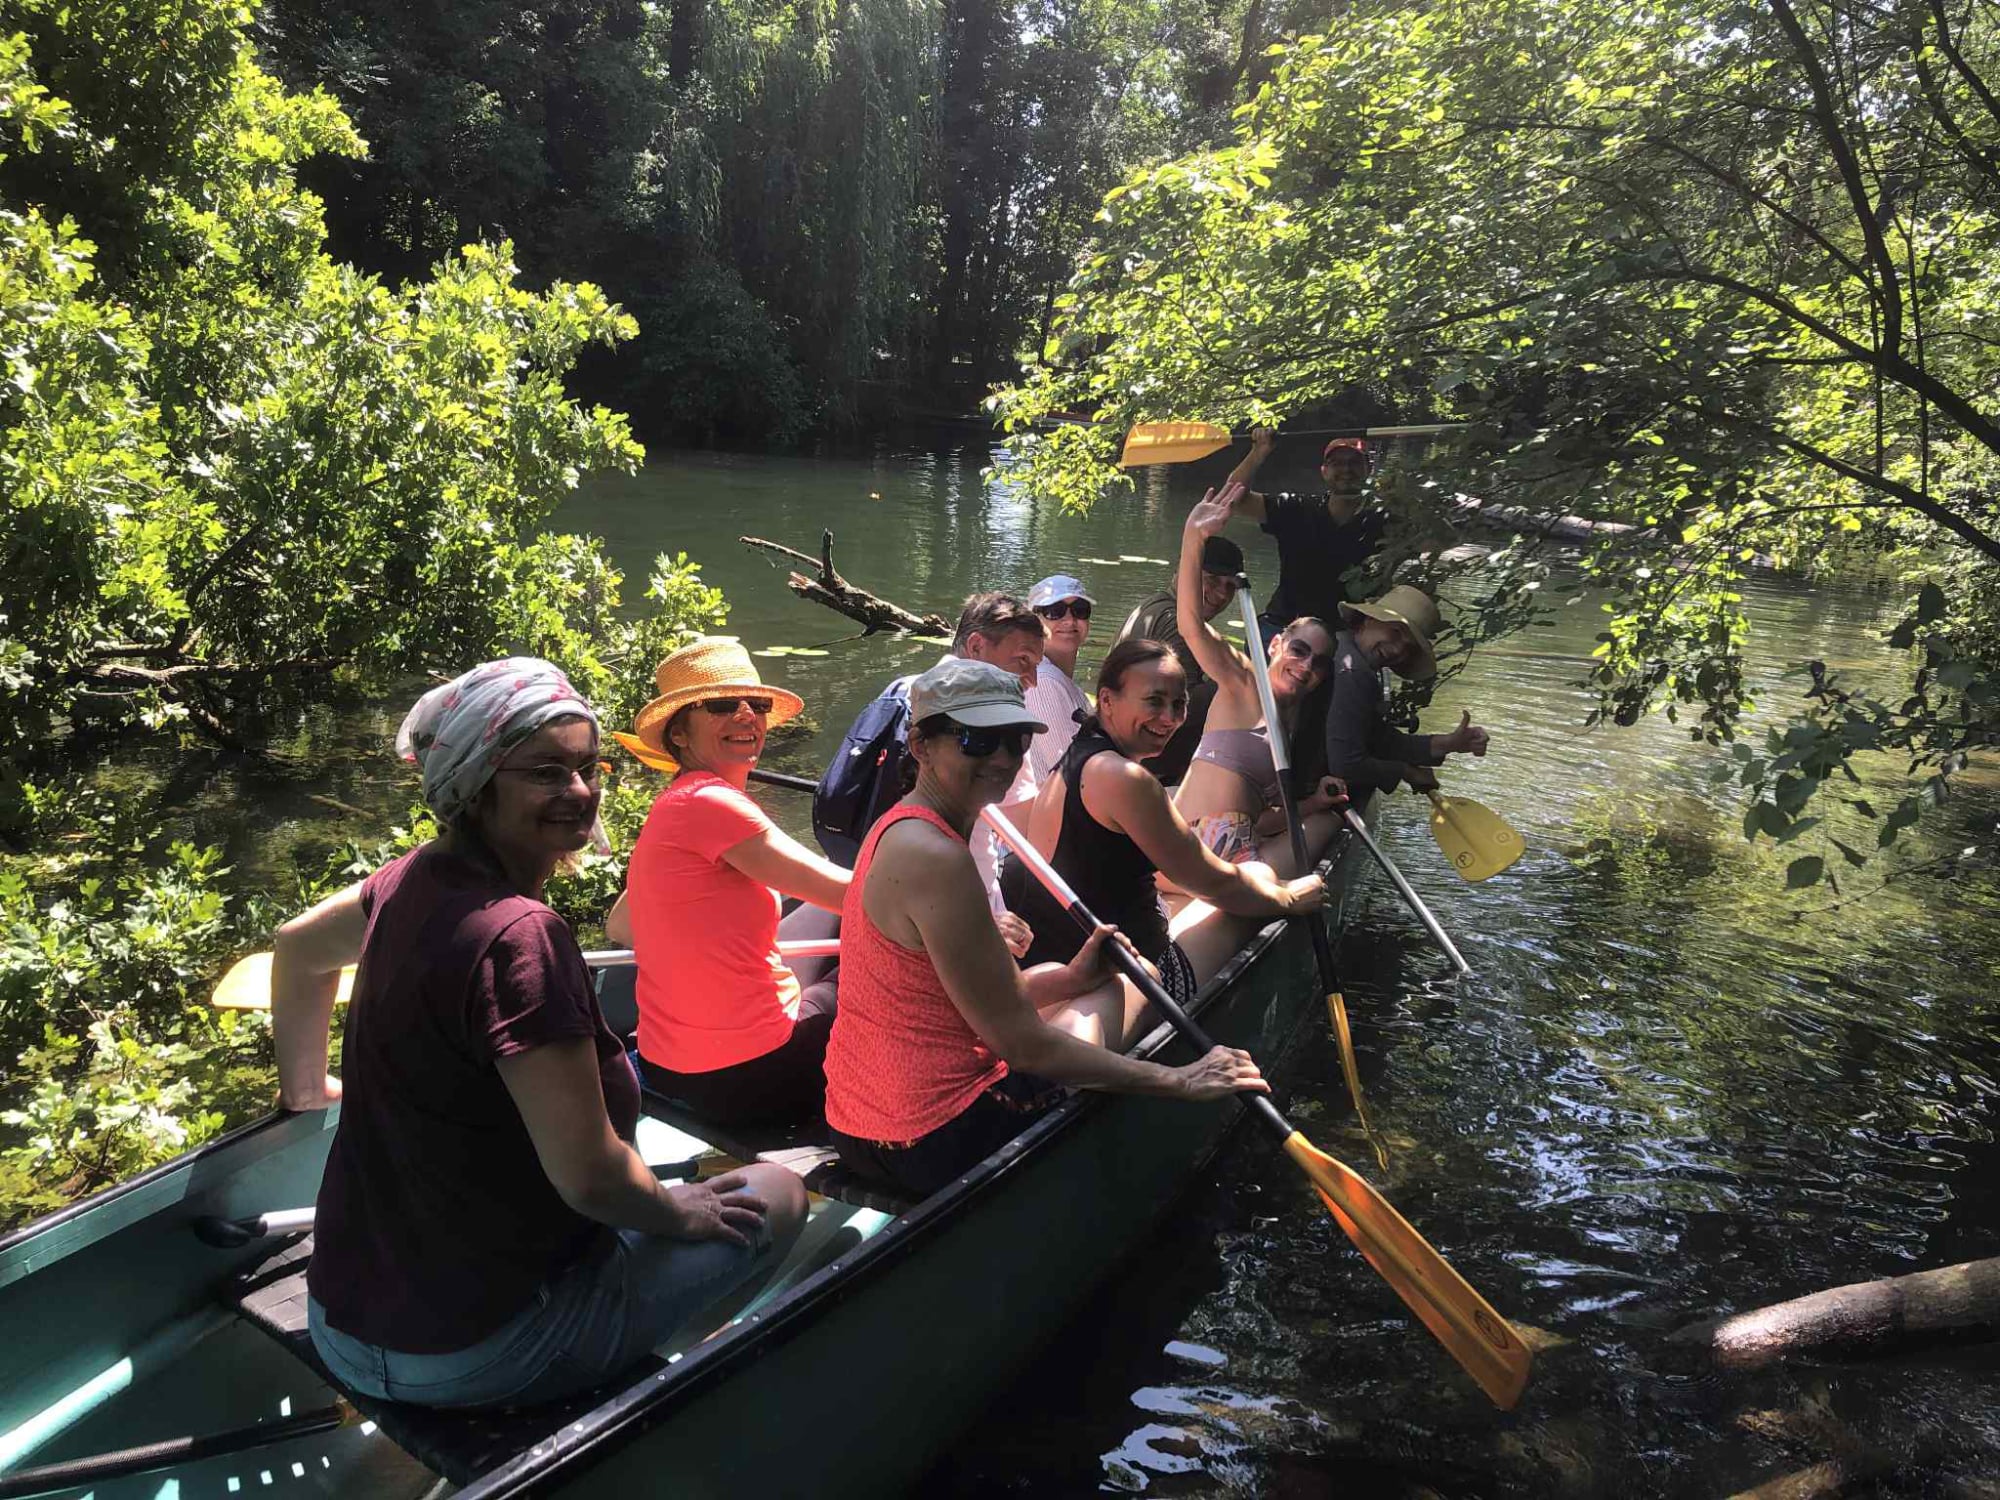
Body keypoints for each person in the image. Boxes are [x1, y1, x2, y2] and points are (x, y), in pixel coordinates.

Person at [270, 658, 806, 1411]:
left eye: (588, 768)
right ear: (475, 784)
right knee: (780, 1192)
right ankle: (679, 1382)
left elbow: (297, 946)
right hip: (477, 1350)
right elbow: (593, 1180)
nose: (580, 792)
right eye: (546, 772)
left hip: (340, 1322)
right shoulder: (521, 937)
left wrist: (304, 1087)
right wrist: (679, 1211)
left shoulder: (405, 881)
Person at [821, 659, 1270, 1198]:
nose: (1001, 759)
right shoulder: (939, 858)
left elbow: (956, 1001)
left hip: (856, 1124)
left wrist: (1073, 979)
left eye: (1014, 741)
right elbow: (1024, 1046)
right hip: (932, 1139)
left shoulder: (897, 825)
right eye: (976, 741)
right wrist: (1178, 1079)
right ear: (921, 746)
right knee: (1135, 982)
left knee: (1070, 974)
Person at [998, 639, 1328, 1007]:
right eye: (1154, 702)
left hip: (1058, 956)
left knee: (1254, 876)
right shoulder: (1124, 778)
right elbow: (1216, 884)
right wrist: (1288, 897)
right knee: (1255, 878)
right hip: (1133, 971)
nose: (1170, 718)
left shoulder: (1079, 753)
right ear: (1106, 700)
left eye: (1179, 704)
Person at [604, 638, 849, 1126]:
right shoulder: (713, 804)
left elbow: (620, 925)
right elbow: (855, 896)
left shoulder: (674, 803)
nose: (746, 715)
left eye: (755, 704)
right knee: (863, 976)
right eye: (721, 705)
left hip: (668, 1066)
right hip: (750, 1073)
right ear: (679, 734)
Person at [818, 592, 1045, 941]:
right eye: (1023, 660)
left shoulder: (903, 688)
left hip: (878, 875)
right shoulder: (997, 727)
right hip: (961, 902)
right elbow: (1029, 828)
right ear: (976, 646)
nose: (1032, 679)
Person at [1170, 483, 1348, 877]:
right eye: (1299, 650)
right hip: (1196, 850)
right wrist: (1193, 537)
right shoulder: (1244, 680)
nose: (1306, 666)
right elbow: (1191, 626)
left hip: (1242, 848)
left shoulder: (1292, 719)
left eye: (1319, 663)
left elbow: (1261, 820)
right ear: (1275, 645)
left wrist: (1315, 803)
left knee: (1328, 819)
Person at [1323, 585, 1493, 798]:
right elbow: (1346, 765)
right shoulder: (1354, 671)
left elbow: (1379, 738)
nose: (1397, 650)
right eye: (1395, 632)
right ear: (1369, 619)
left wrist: (1450, 743)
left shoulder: (1344, 645)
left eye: (1408, 647)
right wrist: (1406, 772)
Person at [1224, 428, 1385, 637]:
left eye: (1354, 462)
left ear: (1369, 469)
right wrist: (1259, 451)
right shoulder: (1295, 508)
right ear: (1324, 471)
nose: (1346, 469)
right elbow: (1234, 499)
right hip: (1283, 626)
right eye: (1336, 463)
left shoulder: (1385, 520)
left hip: (1347, 633)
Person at [1114, 532, 1244, 785]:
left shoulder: (1152, 605)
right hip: (1143, 765)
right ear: (1185, 572)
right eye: (1212, 580)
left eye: (1230, 587)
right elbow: (1184, 709)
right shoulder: (1178, 624)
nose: (1221, 594)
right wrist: (1235, 682)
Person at [1022, 573, 1094, 784]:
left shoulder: (1056, 677)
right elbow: (1068, 772)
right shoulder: (1043, 682)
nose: (1069, 620)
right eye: (1055, 611)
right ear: (1034, 622)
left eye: (1080, 610)